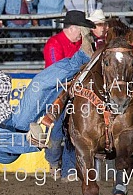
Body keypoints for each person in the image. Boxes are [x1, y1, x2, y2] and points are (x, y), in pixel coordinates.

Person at [40, 10, 96, 179]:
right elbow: (57, 72)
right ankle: (54, 159)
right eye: (81, 29)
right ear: (73, 28)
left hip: (77, 90)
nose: (82, 33)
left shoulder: (79, 44)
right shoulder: (54, 44)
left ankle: (68, 169)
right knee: (58, 128)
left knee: (76, 128)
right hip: (57, 89)